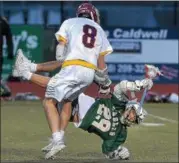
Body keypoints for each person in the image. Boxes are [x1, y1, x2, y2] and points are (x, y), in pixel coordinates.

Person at [12, 49, 163, 160]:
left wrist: (118, 152)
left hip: (79, 116)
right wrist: (139, 84)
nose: (131, 118)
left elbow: (107, 151)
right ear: (129, 108)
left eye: (134, 119)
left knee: (55, 91)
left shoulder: (121, 135)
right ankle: (26, 70)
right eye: (132, 114)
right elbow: (121, 86)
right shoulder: (119, 105)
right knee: (60, 80)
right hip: (83, 101)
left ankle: (25, 71)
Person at [13, 2, 113, 159]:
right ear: (93, 15)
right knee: (66, 101)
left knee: (48, 101)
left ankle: (24, 71)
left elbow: (60, 51)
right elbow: (101, 64)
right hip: (88, 74)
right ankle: (59, 136)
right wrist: (105, 83)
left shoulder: (69, 22)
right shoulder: (99, 29)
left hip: (73, 68)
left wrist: (62, 57)